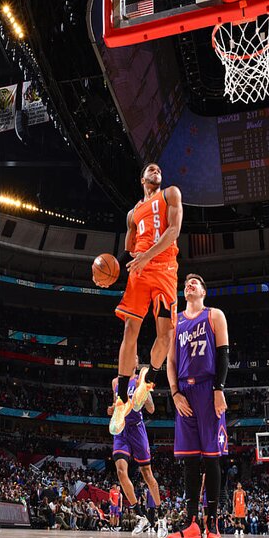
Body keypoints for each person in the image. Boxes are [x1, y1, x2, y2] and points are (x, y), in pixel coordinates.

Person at [93, 162, 183, 435]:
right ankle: (121, 398)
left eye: (158, 169)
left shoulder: (170, 194)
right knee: (129, 331)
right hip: (140, 273)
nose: (155, 170)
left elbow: (173, 231)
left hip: (165, 268)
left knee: (166, 335)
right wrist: (106, 274)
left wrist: (147, 255)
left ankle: (149, 380)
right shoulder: (133, 213)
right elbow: (128, 250)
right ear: (142, 178)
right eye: (150, 169)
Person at [166, 274, 229, 538]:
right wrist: (175, 393)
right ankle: (192, 523)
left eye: (195, 282)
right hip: (184, 392)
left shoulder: (215, 315)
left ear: (204, 290)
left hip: (208, 389)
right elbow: (170, 360)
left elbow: (224, 354)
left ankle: (212, 523)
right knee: (190, 460)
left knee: (212, 457)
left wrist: (219, 389)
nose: (189, 284)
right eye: (186, 283)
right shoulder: (175, 321)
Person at [107, 356, 162, 535]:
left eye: (133, 358)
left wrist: (144, 394)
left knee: (147, 474)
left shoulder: (140, 380)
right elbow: (115, 408)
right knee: (121, 472)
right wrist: (112, 409)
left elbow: (152, 409)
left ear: (136, 364)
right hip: (122, 430)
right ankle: (141, 516)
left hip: (137, 429)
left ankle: (161, 516)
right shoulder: (116, 382)